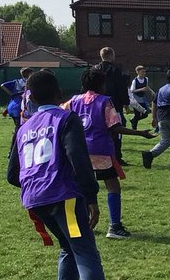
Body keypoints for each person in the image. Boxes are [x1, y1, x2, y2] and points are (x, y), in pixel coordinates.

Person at [6, 70, 138, 280]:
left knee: (69, 248)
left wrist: (37, 182)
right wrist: (90, 196)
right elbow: (78, 159)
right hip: (62, 197)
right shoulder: (65, 118)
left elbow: (12, 174)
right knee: (85, 251)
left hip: (34, 199)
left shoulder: (23, 127)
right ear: (58, 94)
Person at [64, 66, 154, 239]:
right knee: (113, 186)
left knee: (81, 187)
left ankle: (80, 224)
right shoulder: (105, 101)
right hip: (102, 151)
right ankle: (114, 226)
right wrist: (141, 133)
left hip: (79, 153)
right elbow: (115, 126)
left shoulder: (74, 101)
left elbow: (61, 114)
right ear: (102, 84)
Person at [96, 47, 129, 164]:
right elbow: (121, 88)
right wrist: (126, 102)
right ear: (111, 56)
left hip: (97, 107)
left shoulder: (94, 70)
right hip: (114, 106)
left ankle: (102, 154)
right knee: (118, 130)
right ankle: (117, 157)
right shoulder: (115, 71)